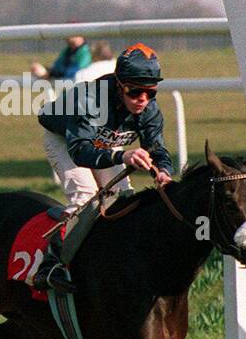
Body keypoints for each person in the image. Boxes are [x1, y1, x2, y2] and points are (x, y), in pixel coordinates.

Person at [31, 43, 174, 292]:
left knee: (122, 198)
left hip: (101, 142)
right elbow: (81, 152)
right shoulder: (91, 100)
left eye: (150, 92)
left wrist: (163, 171)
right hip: (67, 140)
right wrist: (122, 155)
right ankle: (51, 266)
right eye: (135, 92)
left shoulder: (149, 108)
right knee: (86, 198)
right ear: (119, 85)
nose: (143, 100)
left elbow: (157, 149)